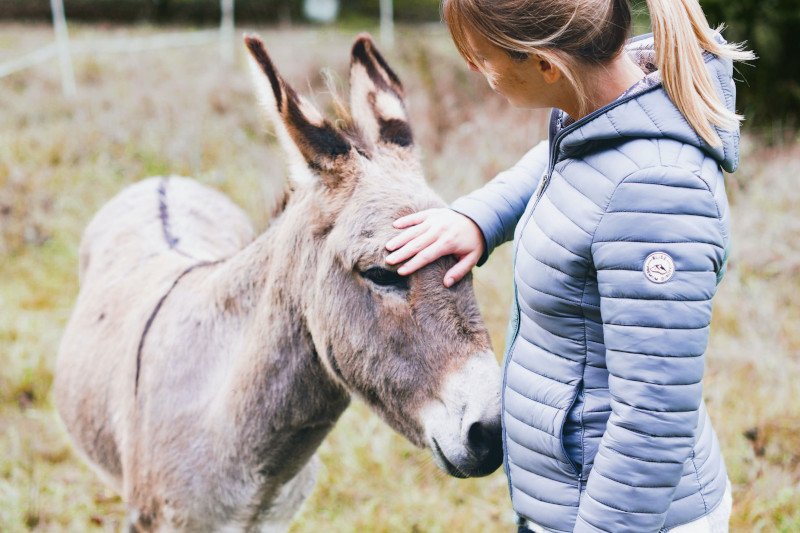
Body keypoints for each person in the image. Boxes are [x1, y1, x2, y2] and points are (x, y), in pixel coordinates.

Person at [384, 0, 753, 531]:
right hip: (572, 498)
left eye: (481, 56)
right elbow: (564, 165)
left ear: (545, 66)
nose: (474, 69)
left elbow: (652, 422)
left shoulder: (655, 195)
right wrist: (479, 218)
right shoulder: (608, 109)